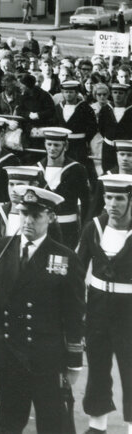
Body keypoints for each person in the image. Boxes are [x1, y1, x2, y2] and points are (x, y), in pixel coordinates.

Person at [0, 186, 85, 434]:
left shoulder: (65, 258)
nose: (28, 221)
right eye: (23, 214)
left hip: (46, 360)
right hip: (9, 355)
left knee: (52, 426)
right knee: (9, 425)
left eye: (35, 215)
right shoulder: (2, 247)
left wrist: (73, 363)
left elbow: (74, 314)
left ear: (50, 217)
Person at [78, 173, 132, 434]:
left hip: (129, 311)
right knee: (98, 366)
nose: (113, 204)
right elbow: (77, 271)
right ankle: (97, 425)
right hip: (97, 308)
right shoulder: (93, 228)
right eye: (109, 197)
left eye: (120, 198)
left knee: (130, 369)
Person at [35, 127, 92, 248]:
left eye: (56, 145)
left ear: (65, 146)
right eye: (49, 144)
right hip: (41, 228)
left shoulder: (77, 169)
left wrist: (84, 231)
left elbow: (87, 203)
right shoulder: (36, 169)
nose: (52, 148)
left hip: (68, 229)